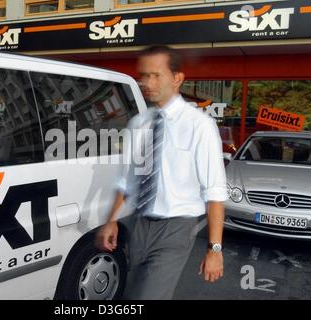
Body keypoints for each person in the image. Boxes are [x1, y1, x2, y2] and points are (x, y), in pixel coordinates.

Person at [95, 45, 228, 300]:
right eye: (143, 75)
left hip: (176, 229)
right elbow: (128, 180)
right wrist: (111, 219)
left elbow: (214, 192)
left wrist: (215, 249)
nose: (147, 82)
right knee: (131, 292)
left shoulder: (200, 125)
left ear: (178, 79)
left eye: (156, 75)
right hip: (139, 225)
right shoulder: (139, 123)